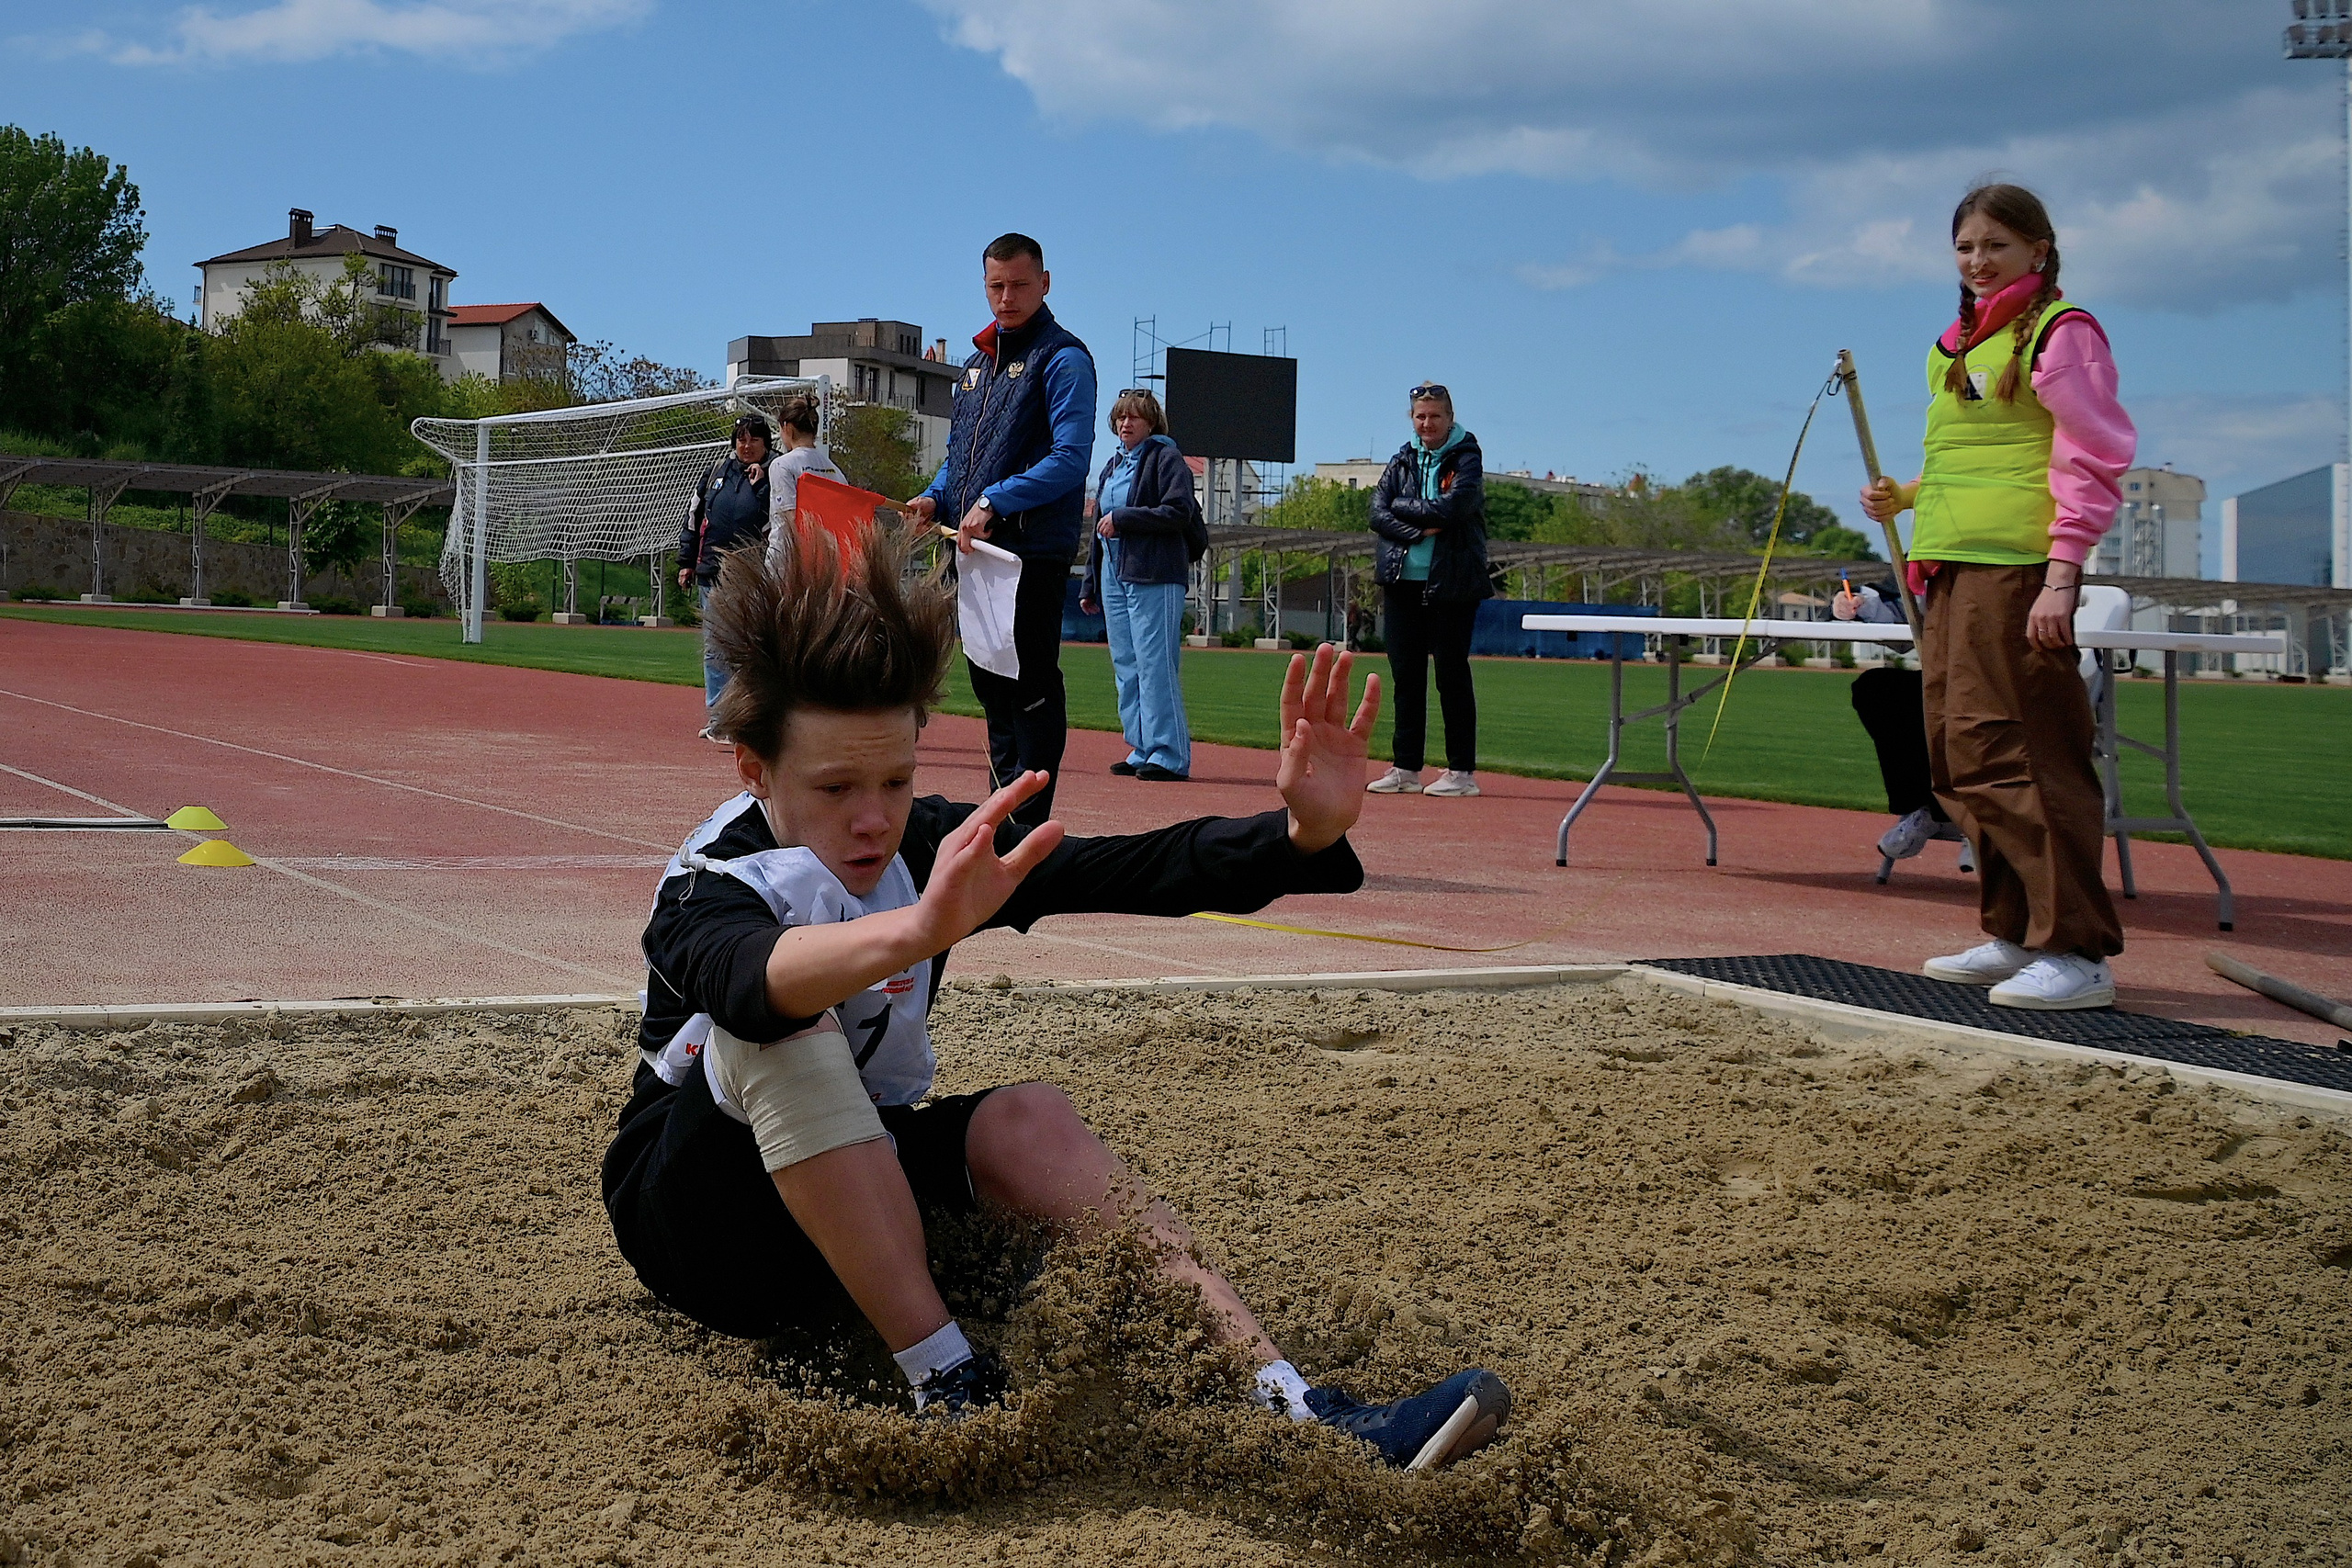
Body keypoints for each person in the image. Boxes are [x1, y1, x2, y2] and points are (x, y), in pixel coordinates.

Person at [599, 525, 1510, 1470]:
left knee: (1026, 1116)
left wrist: (1297, 835)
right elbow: (751, 984)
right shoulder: (709, 884)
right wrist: (916, 931)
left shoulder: (925, 849)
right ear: (754, 769)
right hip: (703, 1229)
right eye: (834, 787)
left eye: (897, 780)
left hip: (853, 1196)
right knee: (777, 1025)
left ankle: (1289, 1401)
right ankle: (951, 1384)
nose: (872, 819)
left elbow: (1128, 868)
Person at [1860, 182, 2134, 1010]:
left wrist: (2061, 576)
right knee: (1957, 757)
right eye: (1966, 247)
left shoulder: (2061, 333)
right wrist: (1906, 498)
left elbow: (2093, 456)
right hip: (1947, 566)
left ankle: (2078, 951)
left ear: (2039, 250)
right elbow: (1974, 457)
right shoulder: (1958, 342)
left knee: (2024, 755)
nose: (1979, 261)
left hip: (2016, 569)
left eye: (1996, 246)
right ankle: (2016, 933)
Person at [905, 233, 1096, 829]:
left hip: (1029, 550)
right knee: (989, 678)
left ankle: (1028, 820)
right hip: (976, 549)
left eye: (1018, 284)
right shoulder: (973, 369)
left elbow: (1071, 458)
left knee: (1029, 678)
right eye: (995, 285)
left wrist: (993, 499)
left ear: (1045, 282)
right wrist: (935, 497)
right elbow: (960, 457)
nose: (1006, 296)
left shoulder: (1063, 359)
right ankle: (1003, 807)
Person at [1365, 382, 1490, 798]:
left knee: (1451, 676)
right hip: (1402, 582)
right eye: (1420, 416)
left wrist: (1405, 509)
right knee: (1406, 676)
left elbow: (1456, 506)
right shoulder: (1402, 458)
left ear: (1449, 418)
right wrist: (1418, 530)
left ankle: (1461, 773)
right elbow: (1378, 511)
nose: (1427, 423)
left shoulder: (1468, 458)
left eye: (1435, 416)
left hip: (1452, 583)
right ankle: (1405, 768)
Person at [1079, 389, 1203, 782]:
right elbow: (1099, 530)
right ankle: (1142, 747)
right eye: (1120, 418)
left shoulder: (1167, 458)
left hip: (1155, 574)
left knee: (1155, 665)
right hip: (1115, 575)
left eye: (1134, 417)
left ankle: (1170, 754)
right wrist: (1089, 584)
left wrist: (1125, 518)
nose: (1125, 424)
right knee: (1126, 665)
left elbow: (1179, 511)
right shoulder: (1112, 466)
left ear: (1152, 423)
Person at [1831, 577, 1973, 872]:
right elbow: (1899, 623)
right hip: (1944, 674)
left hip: (1998, 677)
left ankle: (1978, 820)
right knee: (1876, 690)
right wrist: (1854, 605)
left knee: (1958, 697)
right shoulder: (1926, 558)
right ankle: (1926, 808)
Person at [678, 413, 775, 738]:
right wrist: (687, 561)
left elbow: (778, 519)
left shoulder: (776, 473)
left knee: (749, 647)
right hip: (713, 571)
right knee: (714, 646)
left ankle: (749, 716)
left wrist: (762, 482)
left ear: (766, 444)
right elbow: (694, 520)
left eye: (754, 440)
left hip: (753, 573)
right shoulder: (716, 473)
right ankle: (720, 719)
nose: (747, 446)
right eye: (741, 439)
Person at [763, 394, 845, 568]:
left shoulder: (782, 465)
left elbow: (790, 519)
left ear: (787, 427)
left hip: (787, 562)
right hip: (827, 562)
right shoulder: (836, 471)